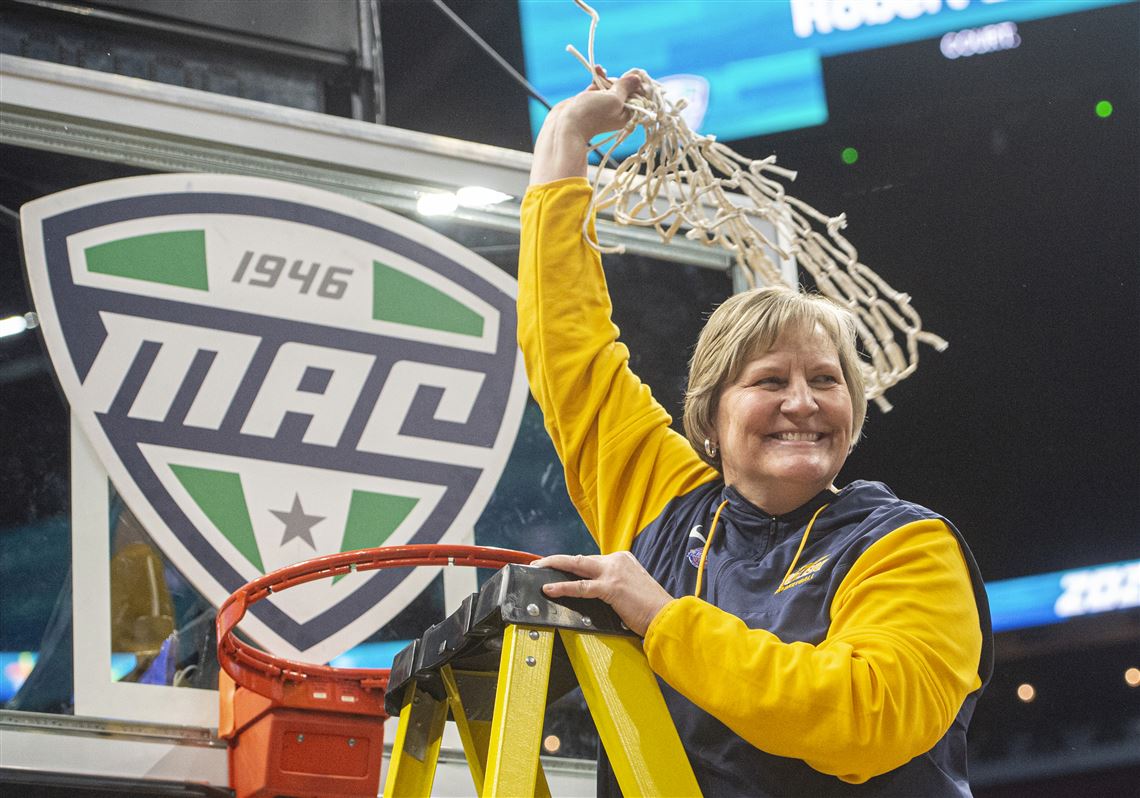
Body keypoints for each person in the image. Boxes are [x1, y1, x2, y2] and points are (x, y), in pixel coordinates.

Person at [520, 70, 993, 796]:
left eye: (826, 381)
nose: (803, 403)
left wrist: (663, 618)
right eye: (770, 381)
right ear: (710, 414)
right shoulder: (664, 507)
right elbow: (568, 352)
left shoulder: (907, 548)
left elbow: (860, 719)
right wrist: (564, 138)